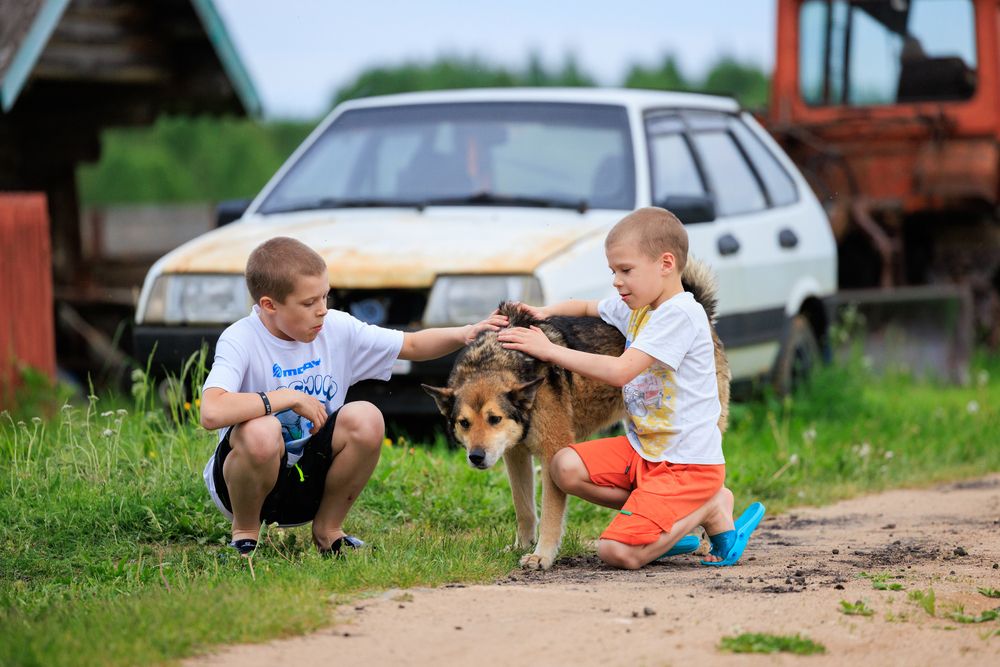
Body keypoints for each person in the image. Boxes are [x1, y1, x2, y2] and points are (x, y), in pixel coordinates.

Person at [199, 236, 507, 557]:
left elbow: (411, 346)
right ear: (269, 305)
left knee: (366, 417)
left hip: (311, 479)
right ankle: (245, 534)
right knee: (262, 430)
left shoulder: (336, 328)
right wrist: (284, 398)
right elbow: (212, 411)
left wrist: (466, 333)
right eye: (308, 304)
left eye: (325, 297)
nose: (322, 311)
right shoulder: (241, 338)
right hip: (244, 482)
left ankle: (329, 531)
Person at [498, 207, 764, 569]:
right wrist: (545, 312)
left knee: (614, 552)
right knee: (563, 465)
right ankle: (663, 524)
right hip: (645, 454)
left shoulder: (681, 315)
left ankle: (710, 506)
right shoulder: (639, 307)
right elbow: (589, 306)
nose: (616, 281)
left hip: (686, 465)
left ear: (666, 264)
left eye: (626, 270)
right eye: (613, 271)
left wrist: (550, 351)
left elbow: (622, 371)